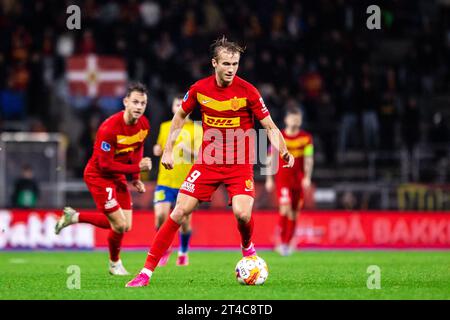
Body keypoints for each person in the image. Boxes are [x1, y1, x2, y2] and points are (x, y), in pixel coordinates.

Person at [126, 36, 294, 287]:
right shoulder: (199, 90)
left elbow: (268, 125)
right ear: (214, 63)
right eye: (226, 63)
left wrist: (284, 150)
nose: (231, 69)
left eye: (235, 64)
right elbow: (179, 117)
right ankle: (145, 272)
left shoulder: (248, 91)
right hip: (208, 162)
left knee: (242, 213)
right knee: (179, 211)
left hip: (239, 164)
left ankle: (247, 247)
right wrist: (169, 150)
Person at [55, 82, 152, 275]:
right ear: (125, 102)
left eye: (142, 103)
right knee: (119, 224)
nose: (139, 107)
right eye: (135, 102)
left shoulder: (144, 125)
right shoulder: (109, 129)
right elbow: (105, 165)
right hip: (99, 176)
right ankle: (114, 263)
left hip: (118, 175)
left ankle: (73, 217)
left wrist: (136, 177)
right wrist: (136, 168)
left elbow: (138, 146)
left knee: (126, 225)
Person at [153, 95, 203, 266]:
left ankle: (183, 251)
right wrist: (158, 149)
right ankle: (164, 249)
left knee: (184, 222)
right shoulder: (165, 127)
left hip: (186, 182)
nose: (180, 106)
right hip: (165, 180)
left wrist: (186, 150)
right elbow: (160, 148)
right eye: (177, 104)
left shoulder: (196, 129)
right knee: (160, 216)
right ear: (172, 107)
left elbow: (200, 156)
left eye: (183, 104)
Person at [265, 107, 313, 256]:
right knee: (284, 208)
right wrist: (268, 178)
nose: (295, 121)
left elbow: (309, 159)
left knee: (294, 213)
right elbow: (269, 158)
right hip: (282, 179)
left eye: (298, 118)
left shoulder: (306, 138)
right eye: (292, 118)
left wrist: (307, 177)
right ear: (286, 119)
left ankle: (287, 243)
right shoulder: (278, 136)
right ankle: (282, 243)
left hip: (297, 181)